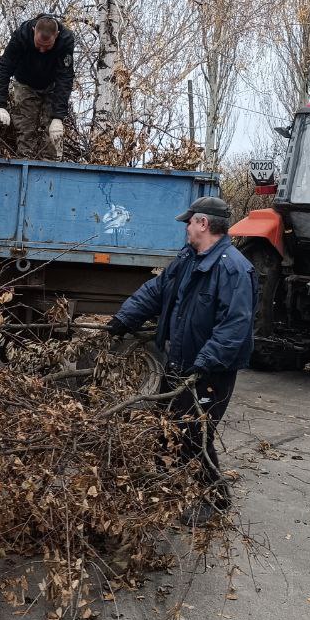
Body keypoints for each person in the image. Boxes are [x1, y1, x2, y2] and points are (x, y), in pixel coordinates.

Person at [105, 195, 258, 518]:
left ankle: (214, 500)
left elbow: (235, 325)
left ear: (203, 223)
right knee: (165, 430)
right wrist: (123, 320)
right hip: (179, 362)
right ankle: (166, 488)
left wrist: (205, 363)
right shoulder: (188, 259)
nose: (186, 227)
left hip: (209, 371)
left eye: (189, 222)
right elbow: (156, 291)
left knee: (193, 433)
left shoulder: (233, 269)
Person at [0, 13, 74, 159]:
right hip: (25, 83)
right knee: (25, 128)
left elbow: (65, 77)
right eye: (38, 45)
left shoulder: (65, 41)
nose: (42, 50)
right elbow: (4, 67)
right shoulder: (21, 35)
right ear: (33, 30)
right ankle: (25, 163)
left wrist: (58, 117)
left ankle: (51, 167)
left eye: (47, 47)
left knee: (53, 134)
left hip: (52, 85)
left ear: (57, 35)